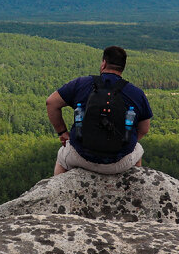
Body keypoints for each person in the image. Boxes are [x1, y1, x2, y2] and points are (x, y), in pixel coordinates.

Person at [46, 45, 152, 175]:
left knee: (62, 157)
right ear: (122, 67)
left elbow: (51, 102)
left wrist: (62, 132)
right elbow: (144, 129)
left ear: (104, 63)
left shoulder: (81, 83)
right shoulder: (136, 93)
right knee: (138, 149)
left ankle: (59, 191)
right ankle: (131, 188)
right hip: (119, 162)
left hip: (81, 156)